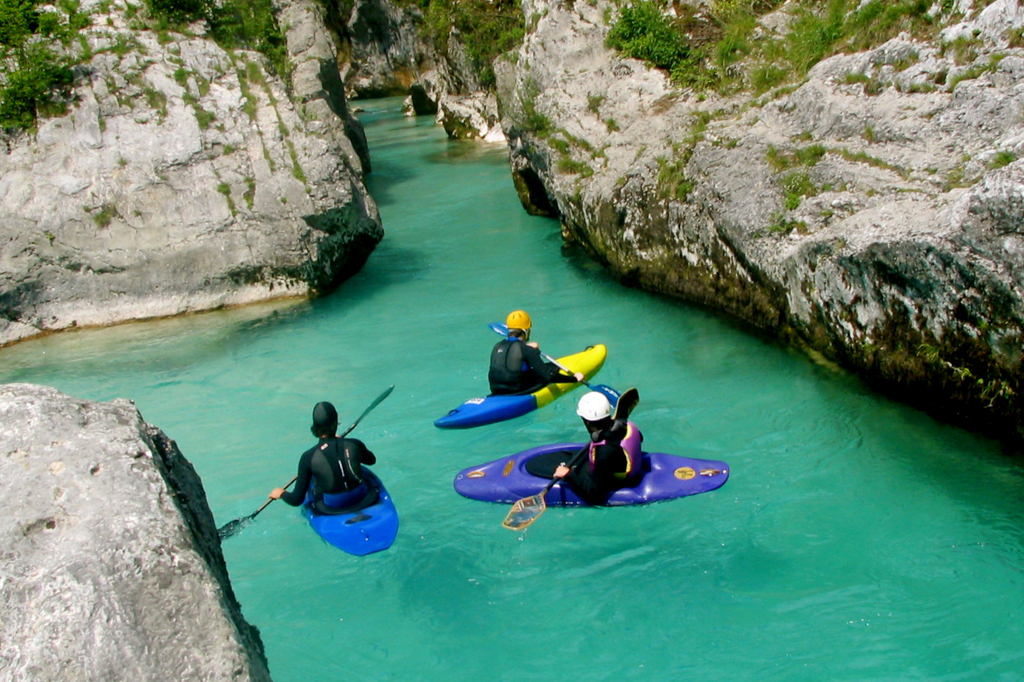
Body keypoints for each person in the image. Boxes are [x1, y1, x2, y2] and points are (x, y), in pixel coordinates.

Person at [269, 401, 377, 514]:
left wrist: (281, 493)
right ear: (336, 423)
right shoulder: (354, 444)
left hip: (334, 505)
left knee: (315, 485)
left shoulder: (308, 457)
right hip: (363, 498)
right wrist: (342, 444)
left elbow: (296, 500)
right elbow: (371, 460)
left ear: (315, 427)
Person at [552, 391, 644, 505]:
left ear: (586, 421)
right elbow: (639, 437)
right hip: (623, 464)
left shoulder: (604, 452)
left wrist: (569, 475)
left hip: (618, 480)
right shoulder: (624, 425)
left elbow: (594, 495)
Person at [488, 309, 584, 395]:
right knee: (552, 368)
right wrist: (574, 379)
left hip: (495, 389)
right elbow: (549, 376)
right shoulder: (527, 350)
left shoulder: (498, 346)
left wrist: (527, 348)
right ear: (526, 331)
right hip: (516, 390)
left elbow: (512, 352)